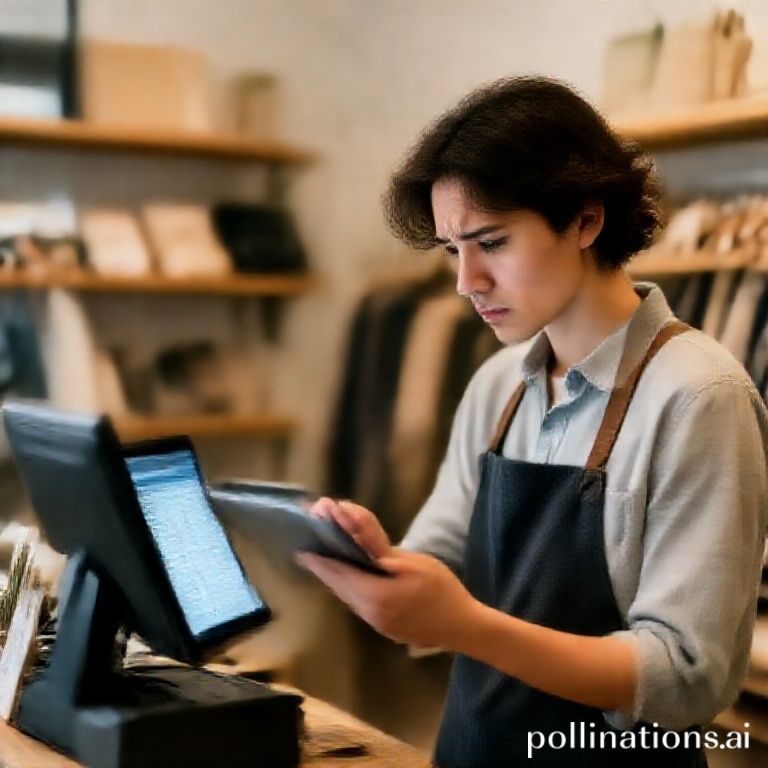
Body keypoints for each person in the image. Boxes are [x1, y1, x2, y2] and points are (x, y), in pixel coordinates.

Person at [295, 76, 768, 768]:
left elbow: (685, 678)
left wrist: (468, 626)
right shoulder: (498, 385)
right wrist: (385, 567)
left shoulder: (699, 398)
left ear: (585, 219)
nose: (466, 282)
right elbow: (443, 550)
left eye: (491, 242)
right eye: (454, 251)